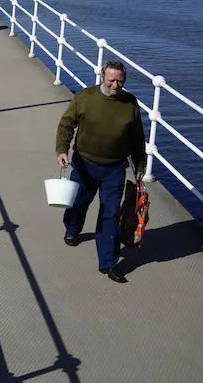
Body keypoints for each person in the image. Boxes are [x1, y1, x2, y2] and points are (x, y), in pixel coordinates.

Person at [55, 59, 146, 283]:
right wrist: (62, 149)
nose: (116, 85)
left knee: (111, 214)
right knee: (79, 203)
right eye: (112, 80)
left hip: (115, 168)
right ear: (102, 77)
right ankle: (73, 229)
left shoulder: (130, 103)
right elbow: (66, 124)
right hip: (85, 163)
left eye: (120, 81)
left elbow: (137, 139)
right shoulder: (85, 98)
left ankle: (108, 262)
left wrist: (140, 166)